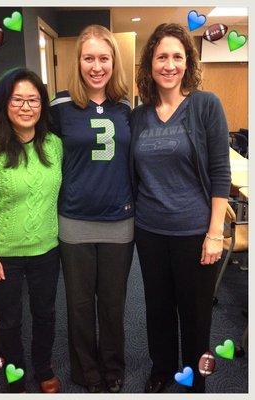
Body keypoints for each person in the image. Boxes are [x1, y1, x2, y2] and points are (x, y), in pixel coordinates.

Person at [130, 23, 231, 393]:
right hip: (150, 230)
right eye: (161, 57)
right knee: (157, 307)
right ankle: (162, 368)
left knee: (195, 313)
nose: (169, 64)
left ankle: (193, 375)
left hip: (195, 231)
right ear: (150, 64)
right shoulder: (139, 115)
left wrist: (214, 233)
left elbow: (220, 173)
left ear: (187, 62)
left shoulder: (206, 106)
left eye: (177, 56)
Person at [0, 68, 63, 394]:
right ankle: (15, 374)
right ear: (4, 104)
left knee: (45, 315)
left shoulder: (54, 145)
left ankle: (44, 367)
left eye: (33, 100)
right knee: (9, 322)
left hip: (47, 249)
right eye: (17, 99)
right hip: (4, 253)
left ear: (42, 105)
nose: (26, 106)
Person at [49, 25, 134, 393]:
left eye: (104, 58)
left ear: (114, 61)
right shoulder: (59, 106)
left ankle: (113, 367)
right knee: (80, 305)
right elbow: (30, 142)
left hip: (120, 220)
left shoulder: (126, 107)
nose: (96, 66)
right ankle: (86, 371)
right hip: (75, 221)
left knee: (113, 304)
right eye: (89, 58)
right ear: (78, 61)